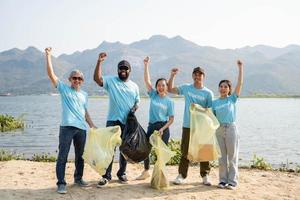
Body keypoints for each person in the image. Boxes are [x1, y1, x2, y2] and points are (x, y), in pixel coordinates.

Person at [45, 47, 96, 194]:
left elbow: (84, 111)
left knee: (80, 156)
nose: (77, 80)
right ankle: (61, 183)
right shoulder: (64, 89)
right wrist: (48, 56)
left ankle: (78, 179)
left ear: (82, 81)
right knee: (63, 155)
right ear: (70, 80)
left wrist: (91, 124)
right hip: (67, 128)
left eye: (79, 78)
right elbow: (51, 74)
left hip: (81, 129)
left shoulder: (85, 95)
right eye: (74, 78)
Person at [93, 52, 140, 186]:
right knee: (109, 149)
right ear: (118, 70)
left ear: (129, 71)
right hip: (113, 120)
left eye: (125, 69)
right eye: (121, 68)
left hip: (127, 122)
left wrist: (134, 109)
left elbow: (137, 102)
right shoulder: (111, 81)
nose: (123, 71)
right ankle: (106, 175)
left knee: (125, 149)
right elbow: (97, 79)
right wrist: (99, 62)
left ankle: (122, 173)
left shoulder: (135, 86)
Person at [168, 66, 214, 185]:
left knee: (204, 150)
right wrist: (172, 75)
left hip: (202, 126)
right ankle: (182, 175)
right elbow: (170, 89)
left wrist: (198, 108)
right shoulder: (187, 88)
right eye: (195, 74)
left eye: (200, 74)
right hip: (188, 125)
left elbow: (210, 111)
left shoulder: (208, 93)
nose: (197, 76)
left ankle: (205, 175)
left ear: (203, 77)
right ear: (193, 76)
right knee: (185, 151)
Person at [136, 56, 174, 180]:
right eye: (159, 85)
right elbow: (147, 81)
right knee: (146, 149)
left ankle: (160, 174)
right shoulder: (153, 95)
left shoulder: (169, 101)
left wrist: (163, 129)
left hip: (163, 127)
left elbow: (171, 119)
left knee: (161, 153)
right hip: (152, 126)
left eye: (163, 85)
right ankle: (146, 171)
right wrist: (146, 65)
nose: (161, 87)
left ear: (166, 87)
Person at [212, 60, 244, 190]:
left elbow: (240, 83)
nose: (223, 88)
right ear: (219, 88)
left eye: (225, 86)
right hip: (219, 130)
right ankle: (222, 181)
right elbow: (210, 117)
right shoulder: (214, 103)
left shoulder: (232, 99)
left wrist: (240, 68)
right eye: (221, 86)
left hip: (231, 129)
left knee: (232, 157)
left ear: (229, 89)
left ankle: (232, 182)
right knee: (222, 158)